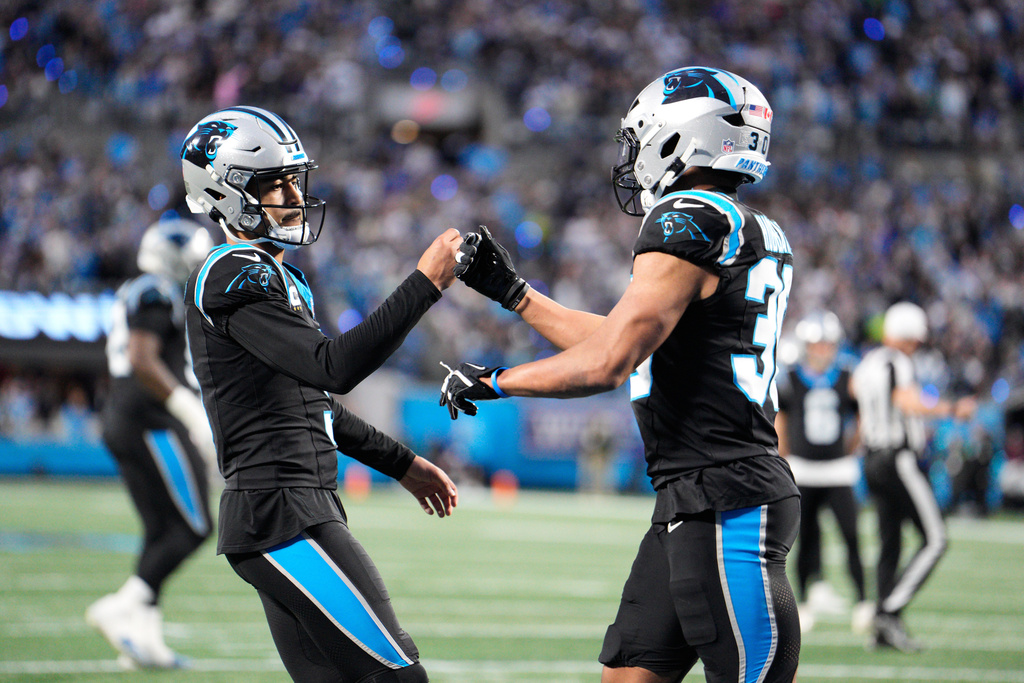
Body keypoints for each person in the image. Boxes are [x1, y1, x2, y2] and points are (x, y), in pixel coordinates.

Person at [442, 67, 800, 683]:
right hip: (692, 497)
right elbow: (628, 340)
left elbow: (611, 362)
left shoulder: (687, 217)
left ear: (679, 137)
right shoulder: (749, 228)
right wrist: (515, 293)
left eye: (640, 138)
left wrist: (497, 381)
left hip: (725, 499)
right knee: (628, 676)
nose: (632, 158)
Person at [179, 105, 459, 682]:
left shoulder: (274, 273)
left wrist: (402, 463)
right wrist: (424, 285)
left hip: (292, 508)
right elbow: (334, 368)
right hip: (280, 511)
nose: (292, 195)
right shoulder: (234, 271)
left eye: (292, 179)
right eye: (273, 183)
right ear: (224, 193)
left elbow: (313, 404)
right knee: (398, 676)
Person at [86, 217, 216, 669]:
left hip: (128, 417)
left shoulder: (138, 289)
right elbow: (142, 358)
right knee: (195, 527)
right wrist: (185, 407)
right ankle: (124, 604)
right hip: (152, 420)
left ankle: (143, 640)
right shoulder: (157, 291)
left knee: (162, 531)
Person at [851, 301, 975, 652]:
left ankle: (882, 630)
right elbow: (905, 401)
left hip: (872, 457)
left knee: (890, 543)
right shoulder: (897, 362)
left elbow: (858, 403)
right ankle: (887, 612)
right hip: (896, 458)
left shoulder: (868, 362)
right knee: (936, 539)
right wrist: (951, 409)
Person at [776, 311, 871, 634]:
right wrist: (784, 456)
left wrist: (851, 447)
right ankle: (804, 603)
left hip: (838, 469)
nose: (822, 349)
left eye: (828, 343)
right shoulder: (791, 376)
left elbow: (861, 417)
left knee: (851, 536)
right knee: (805, 539)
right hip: (803, 468)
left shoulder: (847, 375)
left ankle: (863, 602)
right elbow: (782, 421)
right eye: (817, 343)